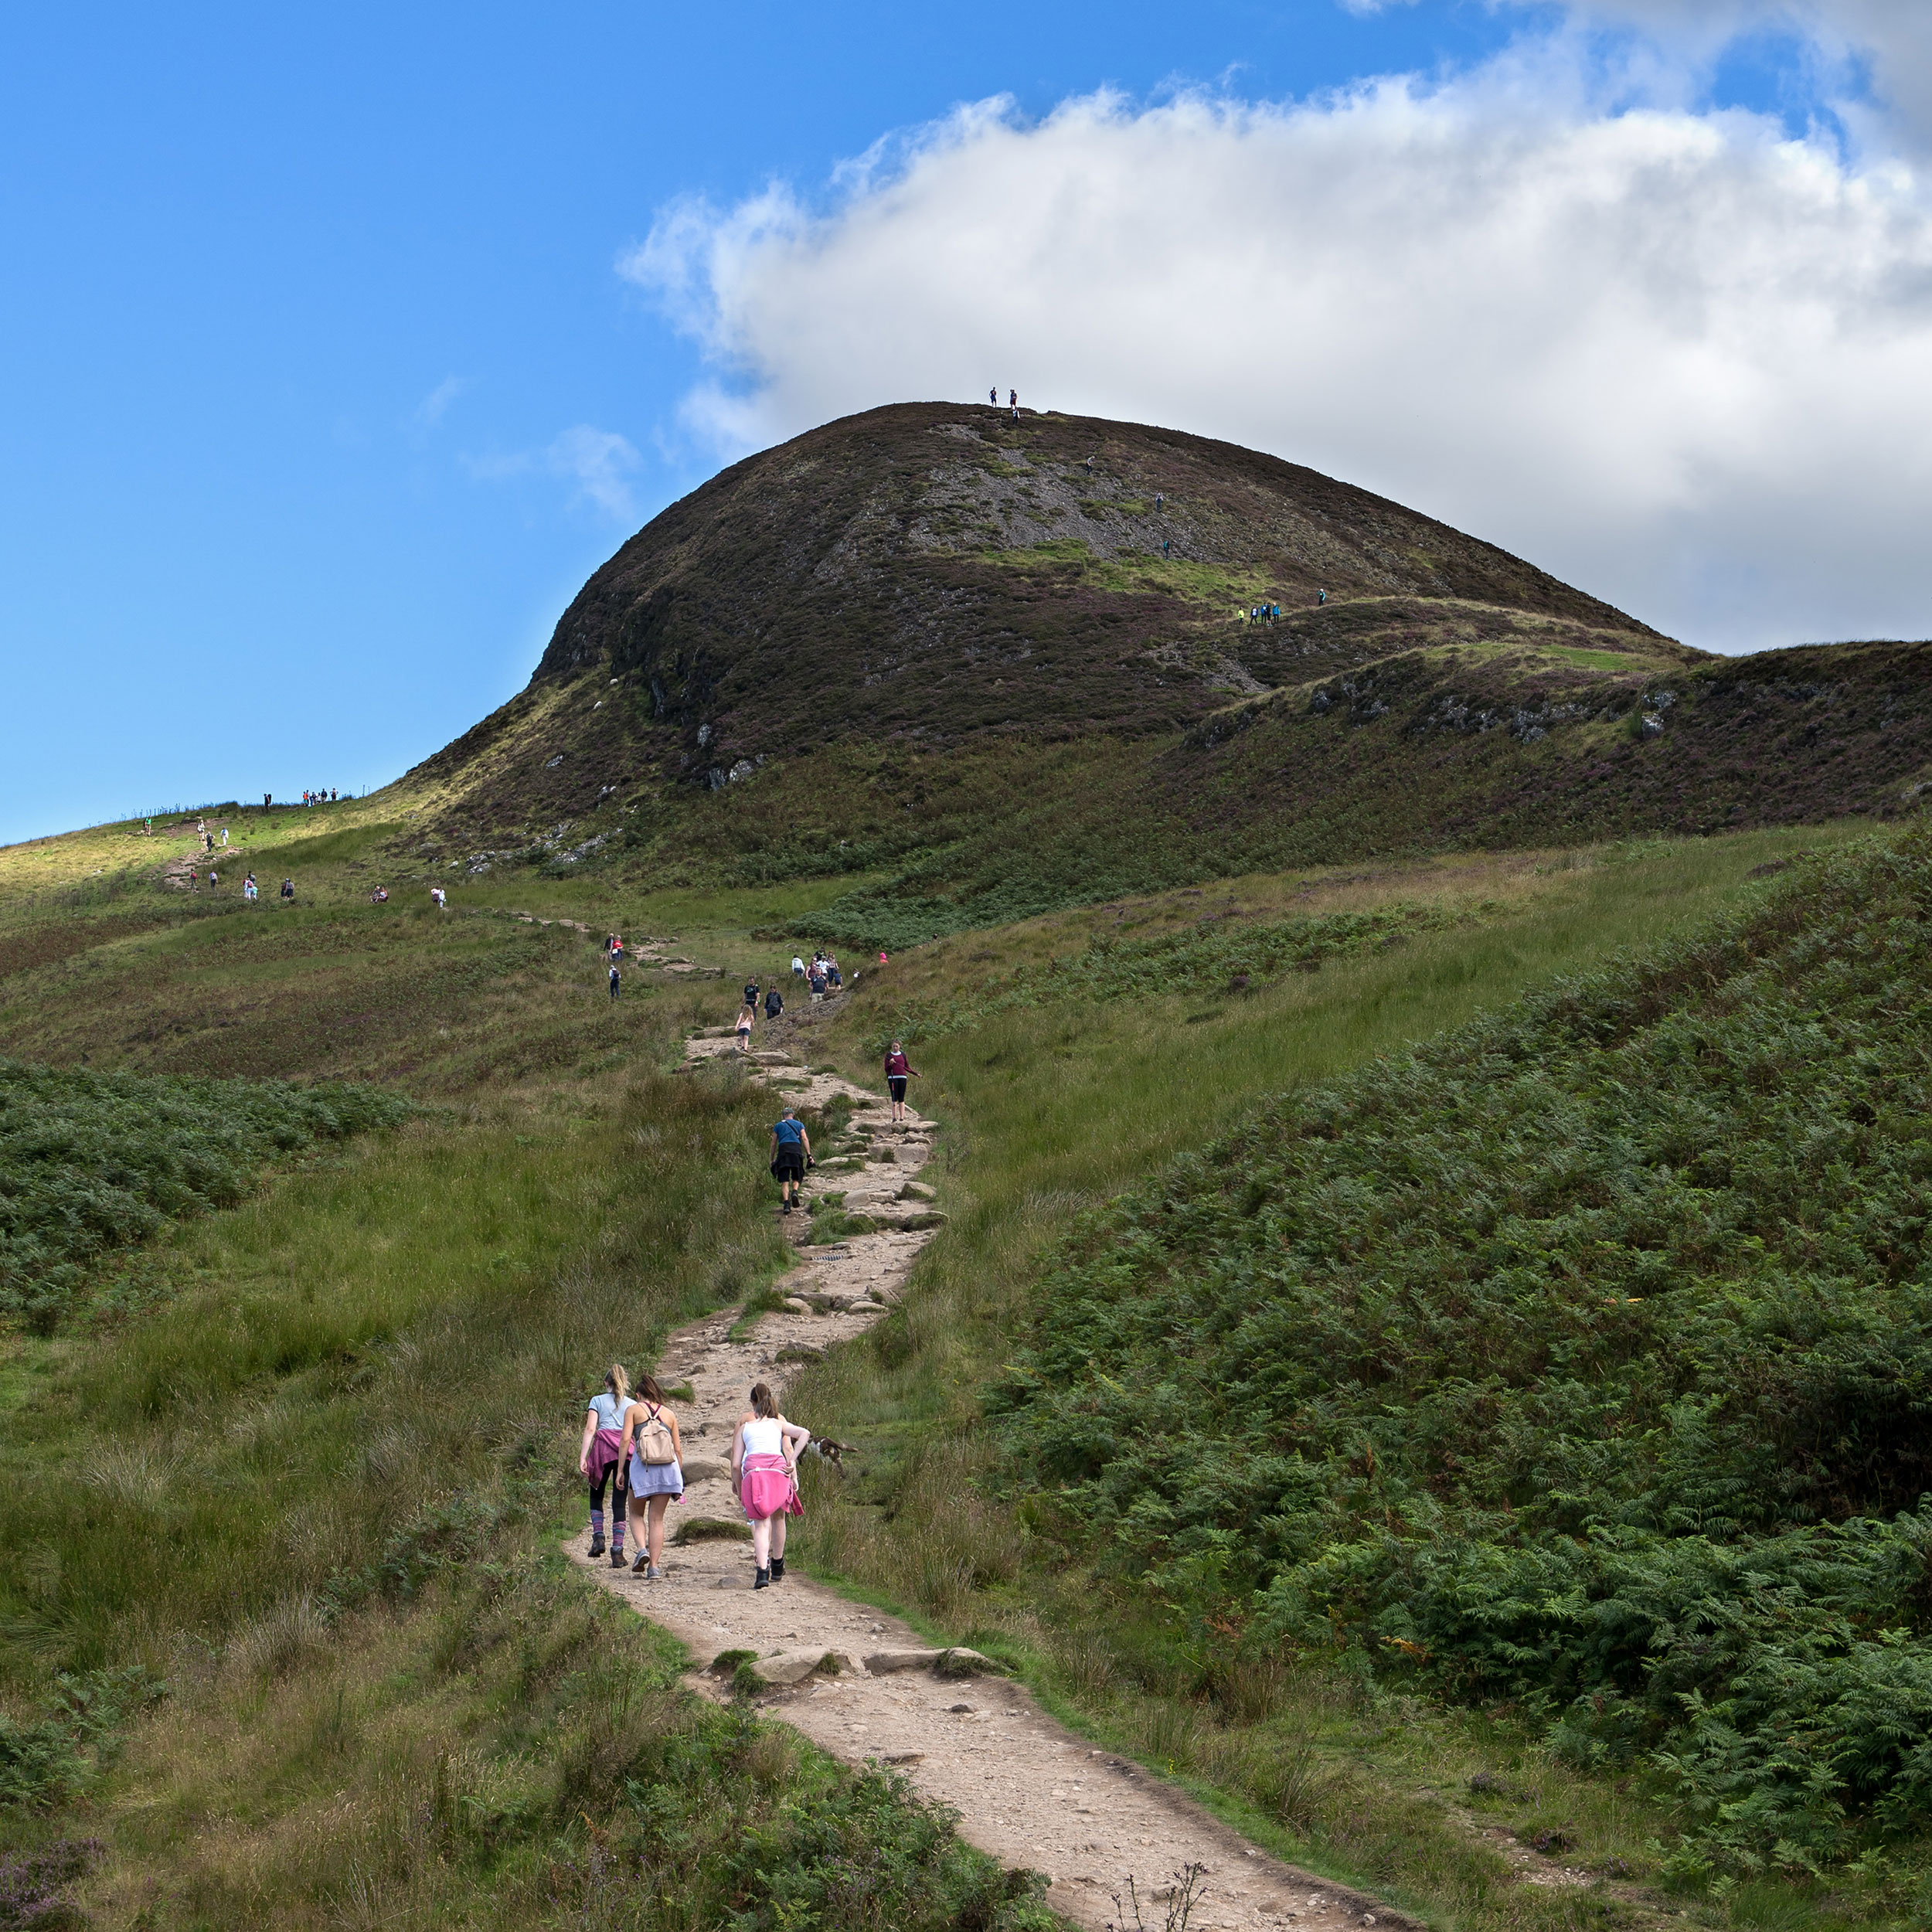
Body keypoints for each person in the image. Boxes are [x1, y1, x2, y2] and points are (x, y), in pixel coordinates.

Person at [731, 1383, 808, 1588]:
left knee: (760, 1524)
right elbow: (797, 1440)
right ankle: (778, 1564)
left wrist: (738, 1488)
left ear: (753, 1404)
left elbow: (736, 1465)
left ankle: (762, 1572)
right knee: (779, 1517)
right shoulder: (779, 1422)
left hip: (754, 1475)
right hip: (778, 1473)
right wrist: (792, 1468)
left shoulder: (744, 1426)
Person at [619, 1374, 684, 1578]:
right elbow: (678, 1450)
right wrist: (678, 1479)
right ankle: (654, 1567)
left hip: (642, 1469)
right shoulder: (670, 1414)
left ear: (638, 1395)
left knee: (636, 1514)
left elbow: (625, 1440)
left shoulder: (633, 1410)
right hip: (667, 1471)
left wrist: (621, 1470)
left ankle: (642, 1550)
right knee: (657, 1520)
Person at [578, 1365, 632, 1567]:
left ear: (605, 1383)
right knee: (619, 1502)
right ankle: (617, 1552)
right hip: (624, 1452)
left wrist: (584, 1457)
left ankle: (598, 1538)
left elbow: (591, 1428)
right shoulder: (632, 1404)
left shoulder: (597, 1401)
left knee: (596, 1495)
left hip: (602, 1450)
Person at [769, 1105, 812, 1214]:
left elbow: (773, 1143)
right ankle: (795, 1192)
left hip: (783, 1151)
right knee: (796, 1176)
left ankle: (787, 1205)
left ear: (783, 1115)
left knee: (784, 1180)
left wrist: (772, 1159)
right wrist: (809, 1155)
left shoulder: (778, 1126)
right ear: (792, 1115)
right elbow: (804, 1138)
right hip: (796, 1150)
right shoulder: (799, 1124)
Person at [884, 1039, 919, 1124]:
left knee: (901, 1098)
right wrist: (890, 1064)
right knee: (894, 1097)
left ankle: (902, 1118)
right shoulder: (888, 1056)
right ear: (892, 1047)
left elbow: (907, 1067)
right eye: (894, 1046)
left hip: (902, 1077)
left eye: (897, 1046)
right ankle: (894, 1117)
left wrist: (916, 1074)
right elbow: (886, 1069)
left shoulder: (903, 1055)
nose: (895, 1048)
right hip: (892, 1077)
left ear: (900, 1046)